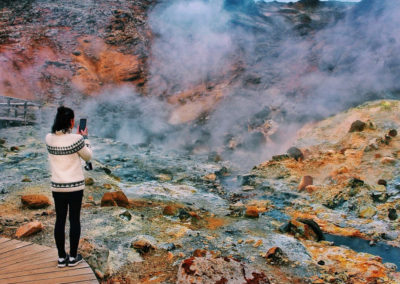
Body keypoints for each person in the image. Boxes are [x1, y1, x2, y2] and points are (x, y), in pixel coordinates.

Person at [45, 106, 92, 268]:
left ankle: (60, 257)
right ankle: (72, 257)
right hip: (75, 188)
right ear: (71, 121)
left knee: (60, 220)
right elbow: (88, 156)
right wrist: (85, 138)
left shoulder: (48, 138)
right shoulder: (76, 140)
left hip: (58, 187)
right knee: (74, 220)